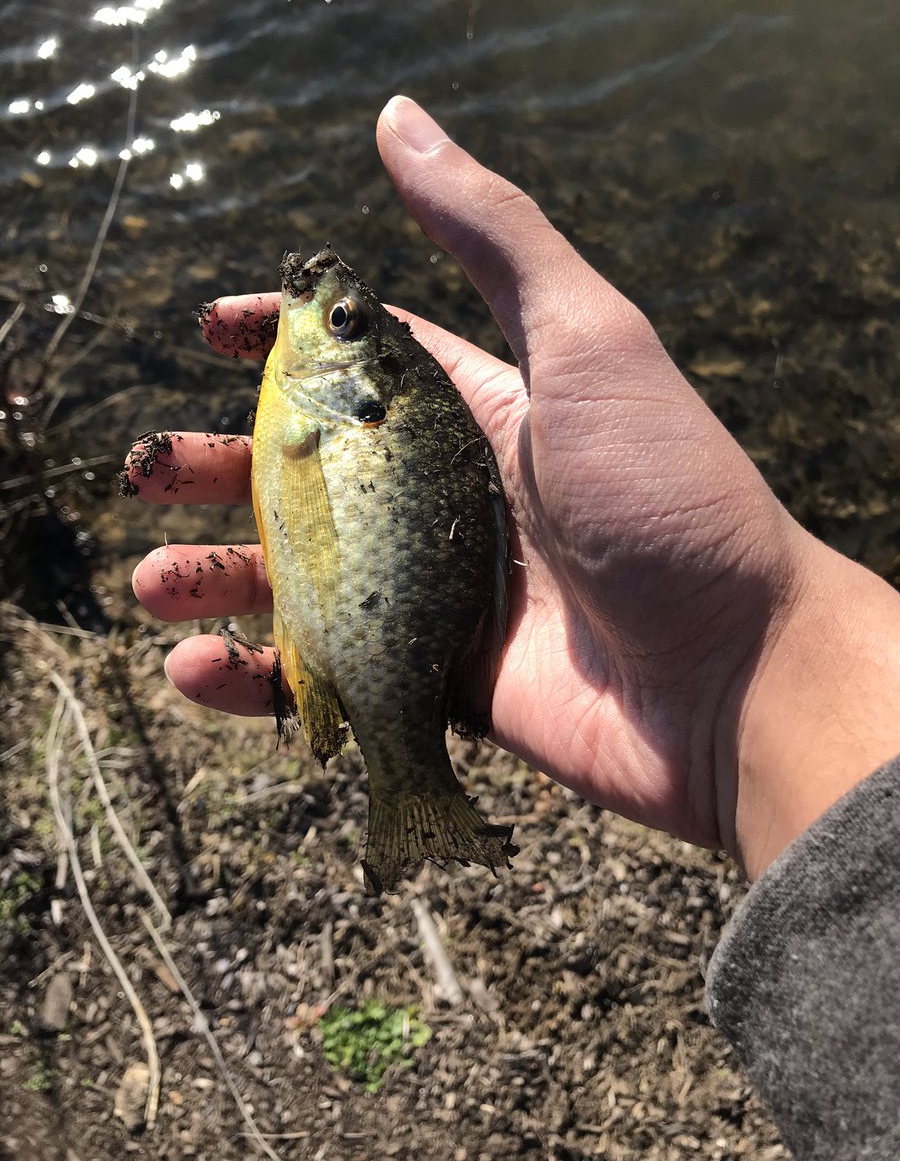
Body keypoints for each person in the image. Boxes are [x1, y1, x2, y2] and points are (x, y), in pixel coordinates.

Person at [124, 97, 900, 1160]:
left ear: (355, 379)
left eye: (339, 323)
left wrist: (740, 657)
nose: (322, 315)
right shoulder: (324, 405)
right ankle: (407, 775)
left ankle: (407, 782)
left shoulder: (325, 407)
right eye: (345, 321)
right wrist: (752, 657)